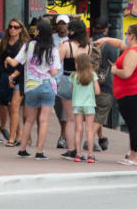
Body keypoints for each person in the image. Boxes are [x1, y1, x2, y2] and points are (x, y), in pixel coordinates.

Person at [7, 18, 61, 160]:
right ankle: (39, 152)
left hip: (31, 86)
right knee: (44, 121)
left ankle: (22, 149)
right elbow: (55, 72)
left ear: (37, 31)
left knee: (29, 120)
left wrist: (7, 59)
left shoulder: (27, 45)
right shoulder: (53, 49)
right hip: (48, 86)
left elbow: (14, 62)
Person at [111, 22, 137, 166]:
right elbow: (120, 44)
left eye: (127, 34)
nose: (125, 36)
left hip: (131, 93)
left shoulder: (134, 52)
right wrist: (105, 40)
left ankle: (136, 157)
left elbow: (126, 73)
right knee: (134, 124)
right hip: (134, 91)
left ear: (132, 36)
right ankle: (134, 155)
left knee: (134, 126)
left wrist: (115, 70)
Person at [56, 17, 94, 157]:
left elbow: (57, 63)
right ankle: (79, 150)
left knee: (70, 118)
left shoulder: (66, 45)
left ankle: (71, 149)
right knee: (80, 118)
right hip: (83, 81)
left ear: (72, 31)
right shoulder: (88, 46)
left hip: (67, 79)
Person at [90, 18, 120, 152]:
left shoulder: (88, 42)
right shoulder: (110, 45)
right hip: (104, 83)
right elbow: (115, 63)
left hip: (88, 82)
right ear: (105, 29)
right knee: (101, 111)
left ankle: (101, 138)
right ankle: (89, 139)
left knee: (95, 113)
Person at [0, 18, 28, 147]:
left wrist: (14, 75)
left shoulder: (24, 44)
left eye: (16, 27)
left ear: (21, 29)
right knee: (10, 108)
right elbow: (0, 59)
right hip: (6, 77)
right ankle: (20, 134)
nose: (12, 29)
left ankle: (12, 138)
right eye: (10, 27)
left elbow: (25, 63)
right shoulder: (4, 42)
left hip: (20, 77)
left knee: (15, 106)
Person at [69, 52, 100, 163]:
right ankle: (90, 155)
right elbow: (97, 91)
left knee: (78, 130)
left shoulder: (73, 75)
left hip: (77, 104)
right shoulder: (92, 75)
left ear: (78, 64)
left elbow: (72, 90)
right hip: (89, 104)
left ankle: (78, 154)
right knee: (89, 130)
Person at [50, 15, 71, 148]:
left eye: (65, 23)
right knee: (58, 109)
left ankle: (63, 136)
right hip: (52, 78)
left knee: (64, 110)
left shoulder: (72, 40)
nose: (62, 26)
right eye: (60, 23)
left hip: (66, 78)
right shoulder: (51, 38)